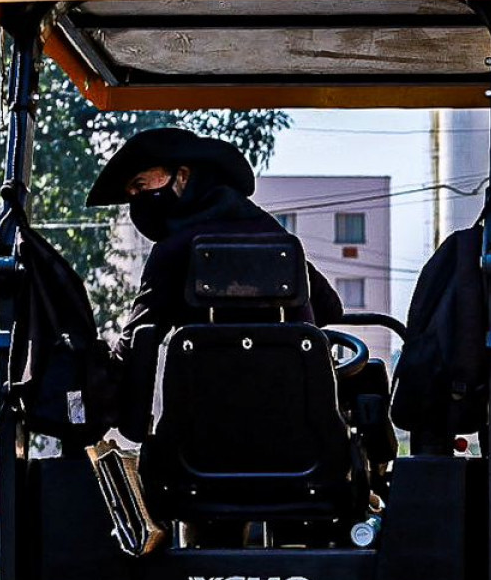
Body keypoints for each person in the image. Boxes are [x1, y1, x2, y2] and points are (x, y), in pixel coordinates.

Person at [88, 126, 344, 440]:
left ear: (182, 177)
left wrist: (97, 388)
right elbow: (331, 308)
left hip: (202, 446)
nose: (137, 201)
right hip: (303, 441)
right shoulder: (276, 237)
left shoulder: (171, 253)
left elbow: (138, 339)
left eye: (140, 185)